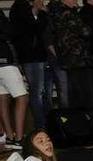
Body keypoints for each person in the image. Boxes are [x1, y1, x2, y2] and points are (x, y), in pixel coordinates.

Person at [10, 0, 49, 130]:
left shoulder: (39, 10)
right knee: (36, 92)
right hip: (28, 56)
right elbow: (22, 31)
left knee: (41, 92)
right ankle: (41, 125)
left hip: (39, 55)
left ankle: (44, 123)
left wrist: (40, 13)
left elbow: (43, 28)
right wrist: (34, 12)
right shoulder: (18, 8)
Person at [0, 8, 29, 149]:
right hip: (5, 62)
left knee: (3, 99)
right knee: (22, 98)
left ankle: (10, 137)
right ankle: (18, 138)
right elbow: (9, 31)